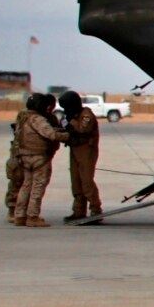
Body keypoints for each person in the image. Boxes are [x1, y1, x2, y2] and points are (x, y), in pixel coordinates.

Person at [10, 92, 70, 228]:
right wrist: (68, 136)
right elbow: (51, 134)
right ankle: (32, 217)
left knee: (26, 185)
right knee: (38, 186)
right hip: (38, 158)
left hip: (24, 157)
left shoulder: (23, 117)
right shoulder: (37, 119)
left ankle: (19, 216)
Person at [58, 91, 102, 222]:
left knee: (87, 182)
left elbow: (83, 129)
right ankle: (78, 211)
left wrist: (71, 120)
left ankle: (95, 210)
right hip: (75, 150)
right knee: (76, 182)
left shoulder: (86, 115)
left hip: (87, 151)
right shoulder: (72, 115)